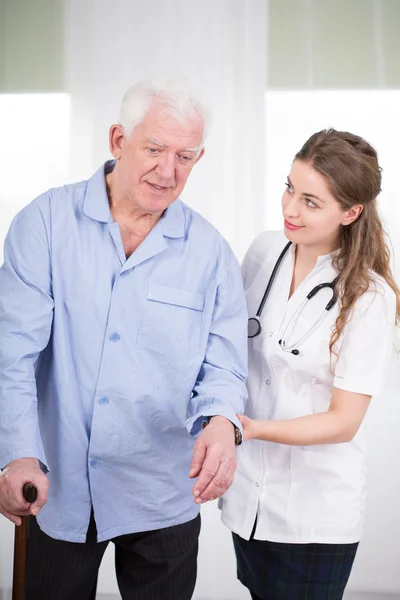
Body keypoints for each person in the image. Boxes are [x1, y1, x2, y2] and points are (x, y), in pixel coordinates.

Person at [0, 79, 248, 600]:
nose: (168, 171)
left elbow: (223, 366)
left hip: (161, 487)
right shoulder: (44, 224)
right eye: (154, 149)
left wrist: (222, 423)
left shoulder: (211, 253)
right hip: (60, 483)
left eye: (185, 155)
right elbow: (12, 354)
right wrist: (19, 453)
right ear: (118, 141)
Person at [220, 128, 400, 600]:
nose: (290, 209)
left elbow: (343, 422)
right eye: (289, 188)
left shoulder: (368, 295)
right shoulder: (264, 251)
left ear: (351, 211)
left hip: (314, 515)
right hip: (248, 499)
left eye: (311, 202)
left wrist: (251, 429)